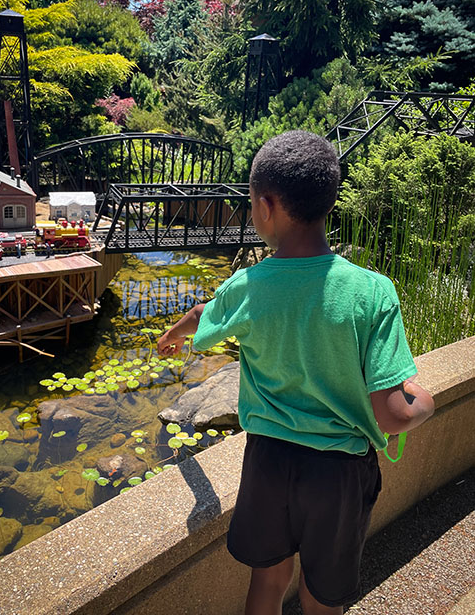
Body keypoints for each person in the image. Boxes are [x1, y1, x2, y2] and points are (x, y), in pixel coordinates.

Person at [157, 131, 435, 615]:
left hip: (268, 462)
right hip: (338, 474)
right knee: (322, 596)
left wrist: (173, 335)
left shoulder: (249, 285)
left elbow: (205, 313)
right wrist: (424, 400)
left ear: (266, 206)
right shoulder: (372, 291)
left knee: (267, 578)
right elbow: (391, 416)